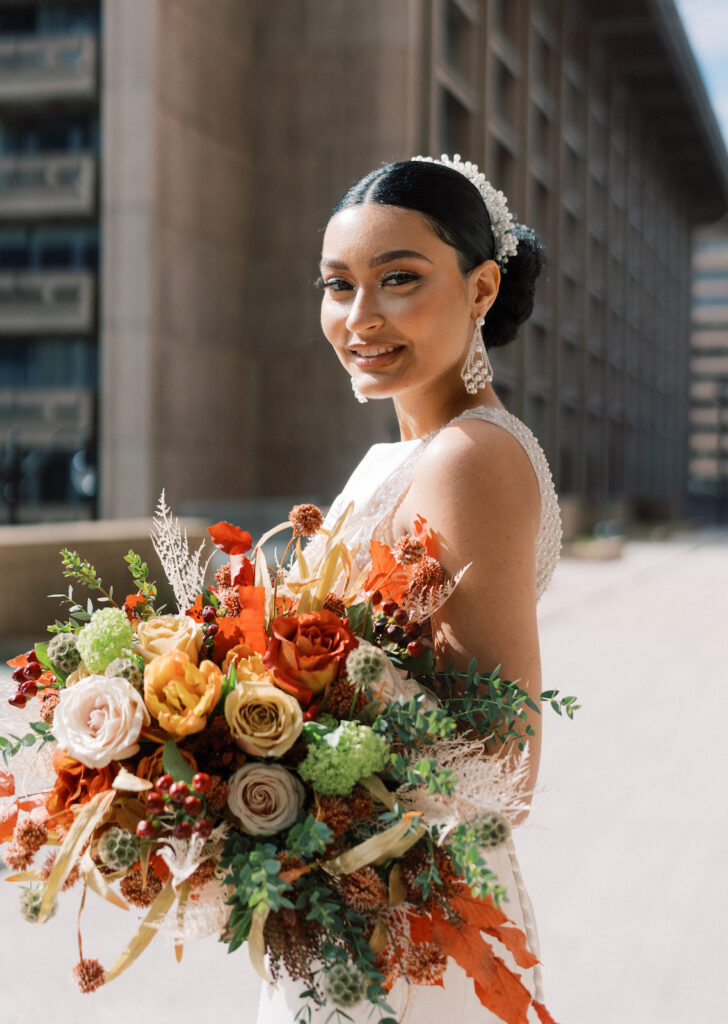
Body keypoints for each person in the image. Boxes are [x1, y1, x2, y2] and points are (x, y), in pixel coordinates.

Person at [256, 154, 561, 1023]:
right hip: (359, 894)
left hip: (411, 925)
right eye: (337, 285)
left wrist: (275, 750)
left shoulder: (471, 456)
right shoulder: (409, 455)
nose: (361, 318)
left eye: (399, 280)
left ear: (481, 289)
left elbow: (507, 768)